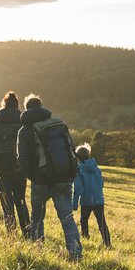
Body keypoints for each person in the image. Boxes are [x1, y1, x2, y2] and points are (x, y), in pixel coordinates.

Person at [17, 94, 82, 260]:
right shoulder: (59, 126)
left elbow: (23, 160)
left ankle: (38, 252)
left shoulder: (25, 131)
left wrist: (34, 177)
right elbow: (72, 150)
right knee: (67, 218)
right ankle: (75, 254)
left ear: (27, 109)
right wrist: (70, 174)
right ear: (41, 107)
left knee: (37, 217)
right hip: (63, 179)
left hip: (41, 181)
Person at [0, 91, 31, 238]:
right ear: (17, 105)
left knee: (6, 202)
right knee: (20, 200)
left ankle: (11, 235)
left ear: (4, 104)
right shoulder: (22, 119)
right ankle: (27, 234)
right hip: (18, 168)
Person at [72, 143, 111, 248]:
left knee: (84, 220)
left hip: (86, 200)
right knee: (102, 222)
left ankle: (85, 239)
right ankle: (107, 243)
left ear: (77, 157)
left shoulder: (79, 170)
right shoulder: (97, 169)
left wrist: (74, 204)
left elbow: (77, 189)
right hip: (99, 199)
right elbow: (101, 183)